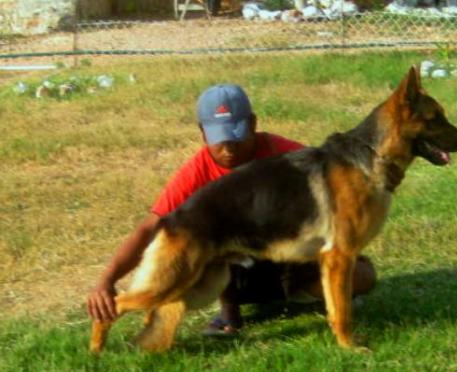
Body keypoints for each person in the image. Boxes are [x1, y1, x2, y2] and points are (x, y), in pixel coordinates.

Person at [87, 84, 376, 336]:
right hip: (236, 270)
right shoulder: (197, 172)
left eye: (237, 137)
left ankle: (303, 293)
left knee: (362, 275)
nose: (229, 150)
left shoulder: (286, 155)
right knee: (208, 244)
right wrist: (106, 280)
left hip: (292, 253)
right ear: (202, 133)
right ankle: (229, 313)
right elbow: (150, 228)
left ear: (252, 124)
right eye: (220, 140)